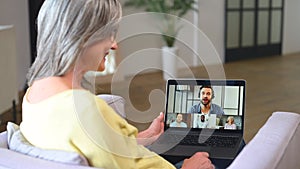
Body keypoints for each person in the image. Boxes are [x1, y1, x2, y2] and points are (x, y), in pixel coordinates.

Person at [19, 1, 214, 169]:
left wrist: (147, 137)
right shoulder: (84, 109)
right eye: (109, 34)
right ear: (83, 36)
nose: (114, 45)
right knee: (225, 149)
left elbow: (99, 147)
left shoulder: (34, 94)